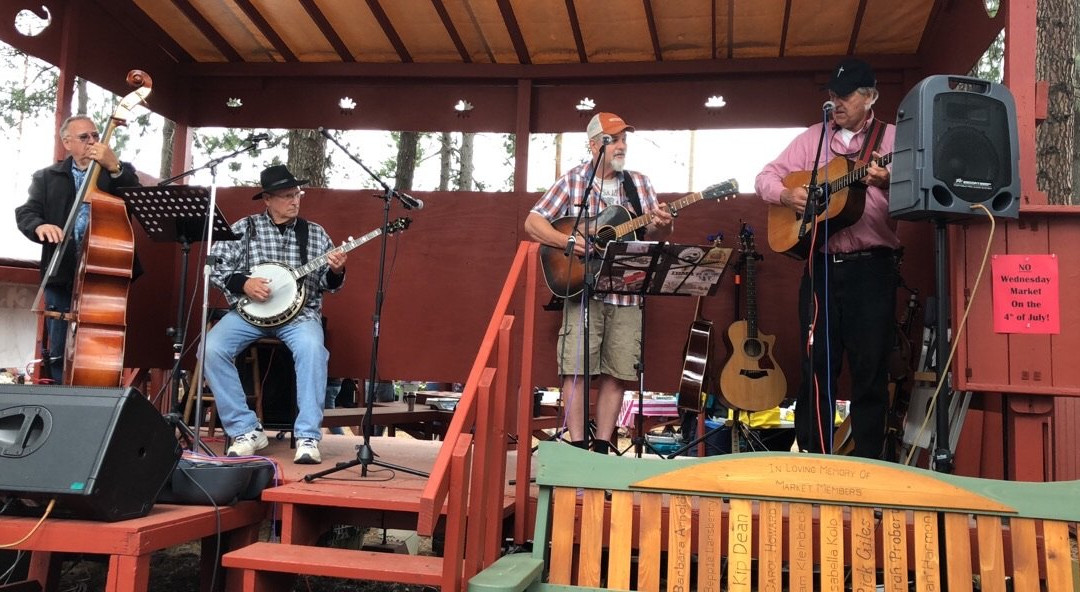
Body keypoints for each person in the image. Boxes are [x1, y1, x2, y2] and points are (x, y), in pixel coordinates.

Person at [754, 58, 899, 459]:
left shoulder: (893, 141)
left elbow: (918, 201)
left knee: (871, 369)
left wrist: (890, 182)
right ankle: (814, 459)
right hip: (820, 269)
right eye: (832, 96)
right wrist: (787, 195)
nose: (836, 102)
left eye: (845, 95)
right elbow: (765, 176)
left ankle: (871, 464)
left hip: (872, 269)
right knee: (816, 367)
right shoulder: (812, 139)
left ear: (870, 97)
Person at [524, 112, 674, 454]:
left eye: (624, 140)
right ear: (594, 145)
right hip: (583, 288)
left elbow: (658, 234)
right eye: (614, 140)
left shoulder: (640, 184)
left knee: (618, 371)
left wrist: (664, 224)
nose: (622, 146)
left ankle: (602, 448)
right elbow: (533, 222)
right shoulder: (573, 180)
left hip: (626, 291)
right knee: (575, 369)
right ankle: (577, 447)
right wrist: (566, 242)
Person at [203, 165, 346, 463]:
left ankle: (308, 436)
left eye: (297, 194)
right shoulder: (245, 228)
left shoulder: (315, 233)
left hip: (300, 317)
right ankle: (246, 429)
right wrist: (245, 283)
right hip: (249, 315)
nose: (295, 201)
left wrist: (336, 270)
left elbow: (328, 286)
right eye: (286, 196)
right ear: (267, 199)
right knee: (209, 349)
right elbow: (216, 265)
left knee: (312, 350)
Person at [15, 115, 140, 383]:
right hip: (62, 271)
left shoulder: (118, 171)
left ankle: (98, 399)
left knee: (102, 346)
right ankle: (63, 396)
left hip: (106, 272)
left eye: (96, 135)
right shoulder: (47, 177)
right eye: (84, 137)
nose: (93, 141)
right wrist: (39, 226)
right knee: (59, 348)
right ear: (67, 142)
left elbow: (137, 201)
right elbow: (27, 212)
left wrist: (115, 167)